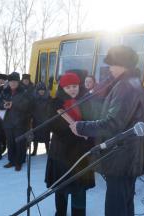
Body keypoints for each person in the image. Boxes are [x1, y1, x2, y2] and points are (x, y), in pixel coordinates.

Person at [69, 45, 144, 216]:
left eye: (112, 65)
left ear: (122, 65)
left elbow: (113, 123)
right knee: (125, 203)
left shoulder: (125, 86)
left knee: (116, 207)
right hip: (128, 157)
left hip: (120, 158)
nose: (109, 69)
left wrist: (82, 127)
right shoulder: (133, 83)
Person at [45, 72, 95, 216]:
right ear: (62, 88)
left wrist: (88, 135)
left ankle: (78, 213)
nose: (72, 89)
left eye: (74, 86)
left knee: (79, 188)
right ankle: (60, 212)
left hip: (80, 153)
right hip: (61, 152)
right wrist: (73, 132)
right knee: (61, 187)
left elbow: (92, 122)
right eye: (68, 87)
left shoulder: (86, 101)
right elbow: (53, 127)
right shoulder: (56, 104)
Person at [0, 72, 31, 171]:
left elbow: (27, 106)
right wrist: (3, 105)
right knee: (10, 143)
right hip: (8, 123)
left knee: (20, 143)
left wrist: (13, 104)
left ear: (18, 82)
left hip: (20, 123)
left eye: (15, 82)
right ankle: (11, 161)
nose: (12, 83)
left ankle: (19, 162)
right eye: (11, 81)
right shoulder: (5, 92)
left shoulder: (24, 92)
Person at [31, 82, 51, 155]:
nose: (41, 91)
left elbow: (50, 109)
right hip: (36, 120)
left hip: (45, 120)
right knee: (35, 136)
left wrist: (48, 117)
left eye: (43, 90)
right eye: (40, 90)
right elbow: (31, 109)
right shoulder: (34, 99)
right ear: (37, 90)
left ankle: (48, 150)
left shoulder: (48, 98)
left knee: (46, 136)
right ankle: (34, 151)